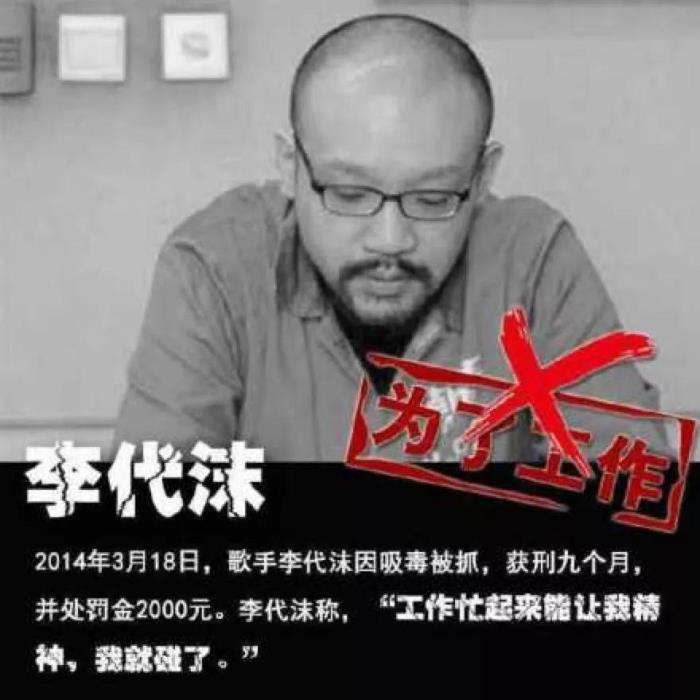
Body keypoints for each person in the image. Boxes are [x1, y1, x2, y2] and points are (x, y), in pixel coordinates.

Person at [113, 13, 667, 462]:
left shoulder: (533, 260)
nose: (389, 240)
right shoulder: (217, 267)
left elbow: (628, 494)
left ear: (481, 178)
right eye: (350, 194)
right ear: (290, 166)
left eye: (432, 199)